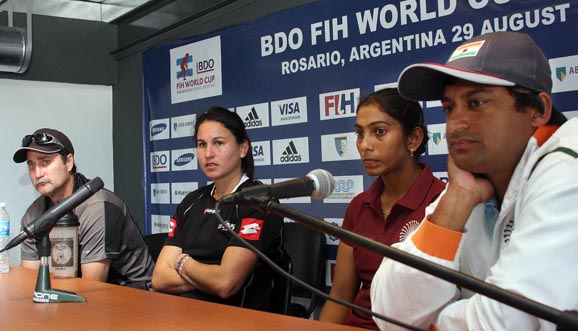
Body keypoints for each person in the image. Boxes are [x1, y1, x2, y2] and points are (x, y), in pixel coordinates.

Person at [370, 31, 578, 331]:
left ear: (538, 110)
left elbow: (508, 323)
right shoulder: (468, 184)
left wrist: (431, 322)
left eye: (477, 102)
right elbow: (390, 313)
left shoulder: (568, 168)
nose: (455, 124)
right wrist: (458, 198)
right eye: (449, 108)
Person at [319, 88, 446, 329]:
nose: (364, 145)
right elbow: (339, 299)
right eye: (359, 133)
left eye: (379, 132)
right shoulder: (359, 206)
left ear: (413, 139)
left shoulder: (443, 202)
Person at [151, 106, 283, 311]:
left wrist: (182, 262)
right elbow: (159, 278)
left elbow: (225, 285)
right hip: (183, 312)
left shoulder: (259, 201)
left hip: (236, 318)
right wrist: (211, 276)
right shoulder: (191, 201)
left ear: (243, 148)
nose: (208, 153)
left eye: (218, 143)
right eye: (201, 144)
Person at [14, 128, 154, 289]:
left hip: (135, 295)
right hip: (82, 296)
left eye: (45, 162)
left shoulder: (98, 206)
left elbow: (91, 286)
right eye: (31, 165)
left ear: (68, 162)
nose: (37, 173)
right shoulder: (34, 213)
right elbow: (29, 280)